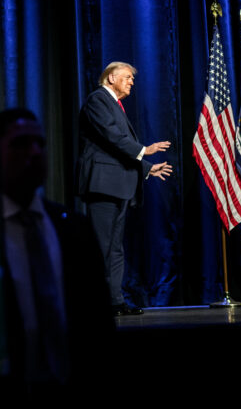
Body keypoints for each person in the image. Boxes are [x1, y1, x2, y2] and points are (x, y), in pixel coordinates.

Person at [0, 108, 113, 390]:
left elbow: (99, 324)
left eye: (40, 143)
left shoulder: (75, 228)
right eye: (21, 144)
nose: (35, 152)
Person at [76, 62, 172, 316]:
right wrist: (144, 151)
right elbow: (112, 138)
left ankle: (114, 300)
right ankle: (94, 303)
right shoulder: (97, 100)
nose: (131, 82)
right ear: (110, 78)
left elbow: (117, 149)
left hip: (118, 185)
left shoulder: (114, 105)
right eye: (127, 77)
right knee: (101, 245)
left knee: (115, 248)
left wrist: (147, 168)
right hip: (103, 185)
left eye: (132, 78)